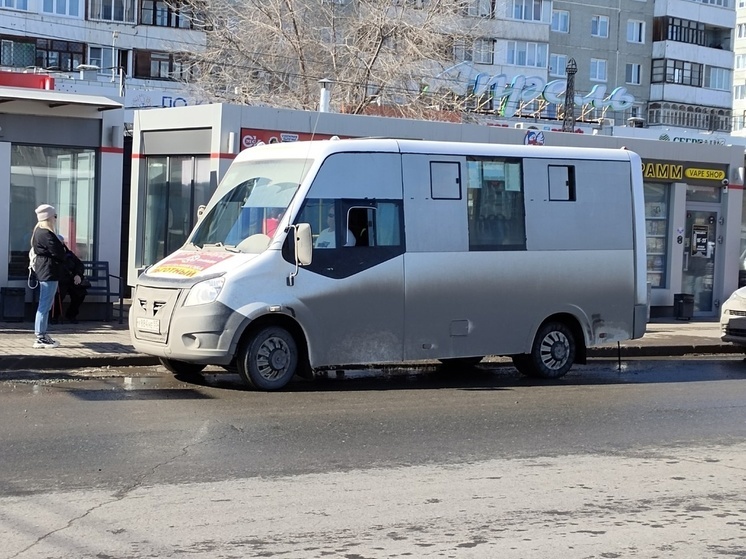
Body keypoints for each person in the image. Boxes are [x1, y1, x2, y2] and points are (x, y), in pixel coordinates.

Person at [30, 204, 66, 348]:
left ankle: (42, 334)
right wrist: (61, 244)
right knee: (45, 304)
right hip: (48, 271)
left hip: (45, 270)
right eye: (55, 216)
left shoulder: (38, 231)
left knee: (45, 303)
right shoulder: (46, 233)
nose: (56, 219)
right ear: (49, 218)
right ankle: (40, 336)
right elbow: (59, 253)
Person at [53, 234, 87, 324]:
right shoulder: (52, 254)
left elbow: (79, 265)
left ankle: (71, 315)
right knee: (58, 295)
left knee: (80, 293)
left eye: (62, 243)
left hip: (72, 280)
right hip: (60, 281)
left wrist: (78, 275)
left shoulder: (69, 254)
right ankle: (54, 316)